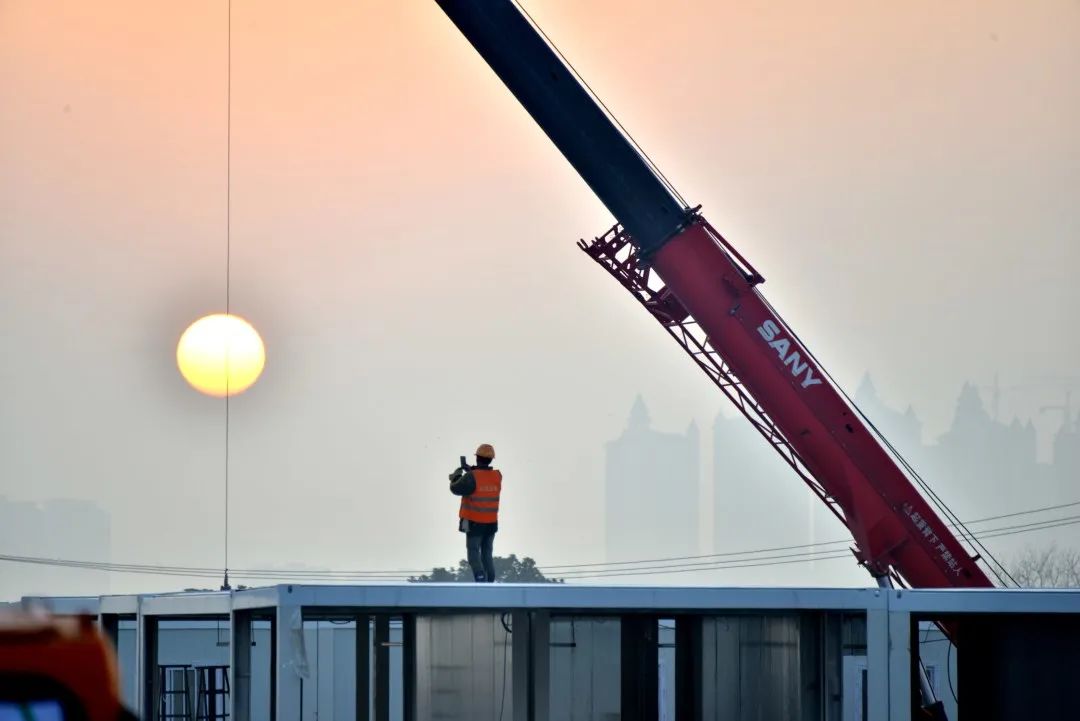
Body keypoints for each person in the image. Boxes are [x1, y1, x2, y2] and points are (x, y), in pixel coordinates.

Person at [448, 443, 502, 582]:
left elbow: (455, 488)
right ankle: (490, 581)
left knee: (473, 552)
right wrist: (471, 470)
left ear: (477, 457)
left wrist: (456, 476)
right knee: (487, 554)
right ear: (491, 459)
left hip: (474, 522)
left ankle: (479, 578)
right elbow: (483, 476)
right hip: (491, 523)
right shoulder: (497, 476)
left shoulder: (471, 477)